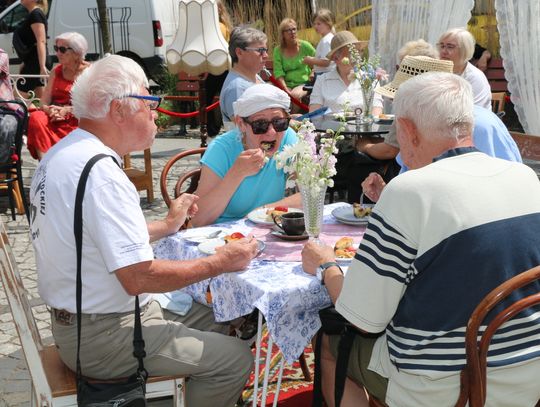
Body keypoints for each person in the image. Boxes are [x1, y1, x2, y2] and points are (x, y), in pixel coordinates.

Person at [29, 55, 258, 407]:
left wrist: (167, 226)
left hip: (80, 323)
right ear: (119, 110)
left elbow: (90, 237)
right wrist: (221, 262)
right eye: (150, 101)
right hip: (104, 336)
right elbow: (138, 277)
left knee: (224, 314)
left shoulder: (62, 153)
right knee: (235, 359)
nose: (156, 112)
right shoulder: (103, 174)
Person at [301, 72, 540, 407]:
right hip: (529, 377)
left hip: (447, 389)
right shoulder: (525, 177)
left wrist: (327, 265)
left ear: (409, 130)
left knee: (328, 342)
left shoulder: (410, 190)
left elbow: (363, 318)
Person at [192, 83, 300, 226]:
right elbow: (199, 219)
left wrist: (261, 212)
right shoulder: (221, 149)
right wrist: (236, 173)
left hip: (267, 227)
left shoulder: (288, 137)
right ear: (241, 124)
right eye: (260, 124)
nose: (272, 132)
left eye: (279, 122)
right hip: (224, 232)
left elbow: (308, 196)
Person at [26, 32, 90, 160]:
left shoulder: (90, 72)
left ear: (77, 53)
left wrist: (67, 110)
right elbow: (44, 101)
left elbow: (93, 104)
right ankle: (45, 164)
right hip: (55, 117)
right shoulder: (56, 71)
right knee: (36, 117)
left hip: (78, 118)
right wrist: (50, 110)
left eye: (62, 49)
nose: (57, 53)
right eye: (56, 49)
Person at [309, 30, 383, 117]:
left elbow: (377, 109)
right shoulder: (322, 81)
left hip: (364, 129)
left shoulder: (370, 78)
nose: (357, 56)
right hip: (332, 129)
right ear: (336, 58)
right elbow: (314, 115)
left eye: (359, 51)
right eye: (352, 52)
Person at [220, 26, 268, 130]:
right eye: (260, 50)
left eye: (265, 50)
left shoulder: (254, 77)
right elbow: (247, 128)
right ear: (239, 52)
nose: (266, 55)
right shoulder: (237, 88)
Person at [437, 27, 491, 109]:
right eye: (442, 46)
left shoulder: (475, 77)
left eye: (450, 47)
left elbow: (474, 113)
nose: (443, 51)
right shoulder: (438, 72)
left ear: (464, 50)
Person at [204, 0, 233, 138]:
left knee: (207, 99)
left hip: (216, 68)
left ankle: (212, 129)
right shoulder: (225, 26)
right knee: (225, 99)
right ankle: (224, 127)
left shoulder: (217, 27)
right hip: (224, 67)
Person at [273, 18, 315, 108]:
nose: (292, 32)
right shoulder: (277, 50)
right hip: (286, 84)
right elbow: (278, 72)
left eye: (294, 29)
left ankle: (292, 120)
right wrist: (285, 88)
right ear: (282, 34)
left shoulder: (305, 46)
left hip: (304, 83)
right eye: (288, 30)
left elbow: (317, 61)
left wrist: (312, 72)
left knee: (294, 95)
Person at [14, 0, 51, 97]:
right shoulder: (33, 14)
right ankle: (38, 112)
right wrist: (25, 61)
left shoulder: (36, 14)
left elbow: (41, 41)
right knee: (41, 99)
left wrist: (42, 66)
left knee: (18, 96)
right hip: (34, 60)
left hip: (36, 62)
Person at [303, 8, 335, 77]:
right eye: (314, 24)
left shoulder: (326, 40)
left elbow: (326, 62)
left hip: (325, 75)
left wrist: (310, 60)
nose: (315, 26)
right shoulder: (328, 38)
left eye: (318, 24)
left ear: (328, 24)